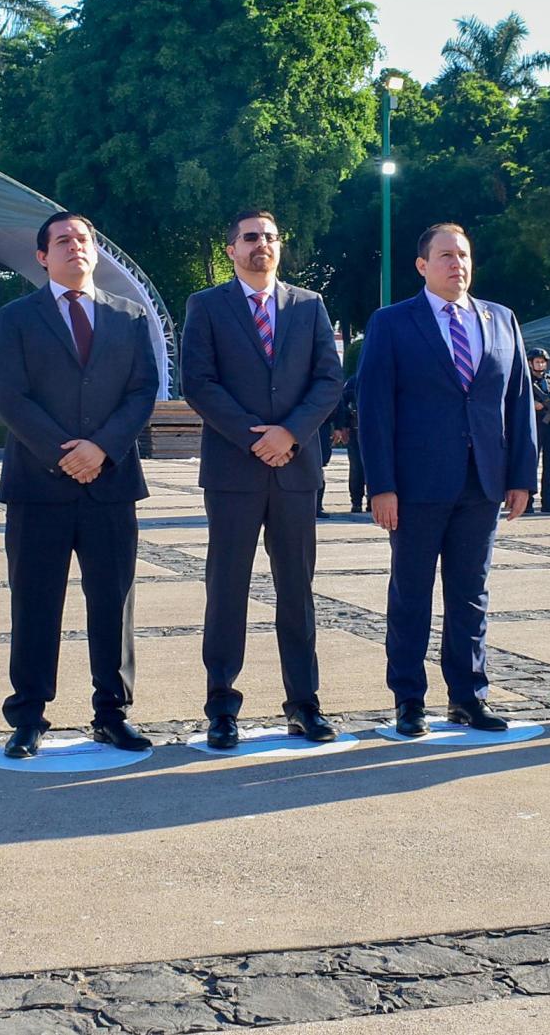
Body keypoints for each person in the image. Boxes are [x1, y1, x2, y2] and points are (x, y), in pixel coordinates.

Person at [0, 211, 160, 758]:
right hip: (38, 486)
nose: (75, 246)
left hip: (110, 484)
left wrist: (101, 449)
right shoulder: (17, 318)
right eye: (63, 240)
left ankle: (112, 713)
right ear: (43, 256)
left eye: (84, 238)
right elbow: (11, 396)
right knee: (35, 604)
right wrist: (64, 455)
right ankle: (28, 716)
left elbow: (142, 391)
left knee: (113, 602)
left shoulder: (129, 316)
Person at [356, 222, 535, 736]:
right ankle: (409, 699)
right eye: (445, 256)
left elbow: (519, 400)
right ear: (422, 265)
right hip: (416, 486)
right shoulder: (392, 323)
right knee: (411, 595)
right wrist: (381, 485)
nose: (457, 264)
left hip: (483, 483)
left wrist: (522, 476)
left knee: (471, 595)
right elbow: (374, 409)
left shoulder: (501, 319)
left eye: (463, 255)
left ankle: (469, 696)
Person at [180, 209, 344, 748]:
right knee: (227, 588)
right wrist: (255, 437)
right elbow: (198, 382)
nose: (262, 245)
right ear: (231, 249)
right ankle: (222, 707)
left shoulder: (309, 305)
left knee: (297, 590)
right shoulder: (207, 306)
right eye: (250, 238)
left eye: (270, 237)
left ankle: (304, 704)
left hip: (295, 469)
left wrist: (289, 433)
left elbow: (328, 380)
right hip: (234, 470)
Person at [526, 347, 550, 514]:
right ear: (530, 363)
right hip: (533, 427)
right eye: (538, 362)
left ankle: (548, 501)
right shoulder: (525, 380)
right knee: (530, 464)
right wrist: (532, 404)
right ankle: (527, 501)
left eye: (543, 362)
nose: (541, 365)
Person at [333, 373, 366, 514]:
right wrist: (344, 426)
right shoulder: (354, 381)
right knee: (357, 468)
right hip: (356, 430)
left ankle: (372, 500)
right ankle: (356, 502)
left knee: (376, 467)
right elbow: (342, 404)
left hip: (377, 431)